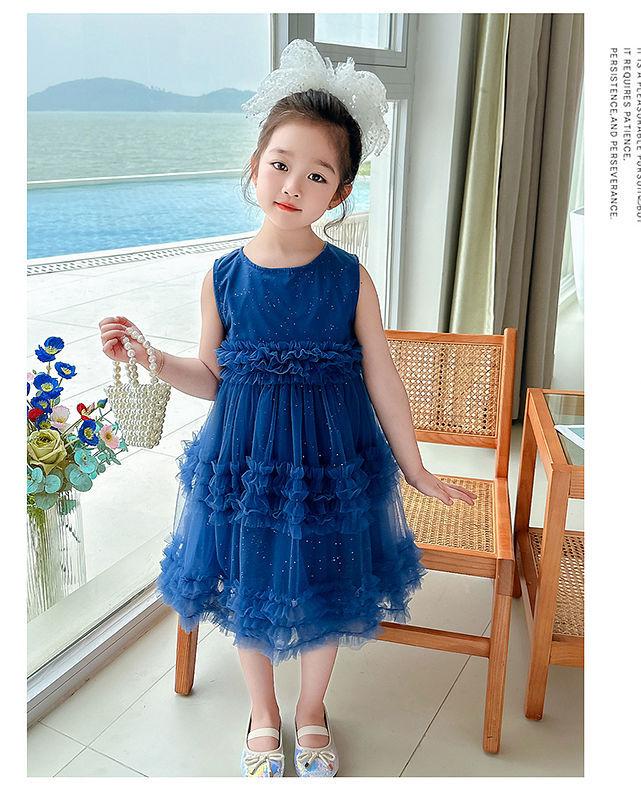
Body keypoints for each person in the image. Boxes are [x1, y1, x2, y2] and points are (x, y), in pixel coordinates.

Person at [98, 39, 476, 778]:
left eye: (317, 175)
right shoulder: (223, 278)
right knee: (251, 587)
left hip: (332, 464)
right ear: (254, 165)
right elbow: (214, 376)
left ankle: (311, 711)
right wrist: (152, 358)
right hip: (246, 462)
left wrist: (417, 468)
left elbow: (384, 379)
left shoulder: (349, 279)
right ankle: (263, 712)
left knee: (327, 585)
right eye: (280, 164)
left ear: (340, 193)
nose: (293, 185)